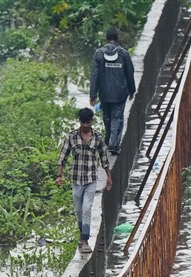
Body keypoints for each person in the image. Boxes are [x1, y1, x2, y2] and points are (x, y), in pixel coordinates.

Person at [56, 108, 113, 254]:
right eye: (83, 123)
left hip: (91, 179)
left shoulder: (98, 137)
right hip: (76, 179)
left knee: (87, 208)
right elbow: (63, 157)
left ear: (91, 121)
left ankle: (85, 240)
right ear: (79, 121)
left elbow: (104, 158)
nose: (86, 126)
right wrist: (59, 175)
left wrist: (108, 177)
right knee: (78, 210)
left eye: (88, 123)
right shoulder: (71, 137)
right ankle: (82, 235)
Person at [89, 26, 136, 155]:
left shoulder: (99, 54)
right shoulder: (123, 54)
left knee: (107, 118)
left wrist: (93, 94)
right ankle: (114, 144)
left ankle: (109, 141)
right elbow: (130, 73)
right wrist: (132, 90)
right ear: (116, 38)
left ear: (106, 38)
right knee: (117, 118)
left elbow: (94, 75)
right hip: (120, 93)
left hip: (104, 93)